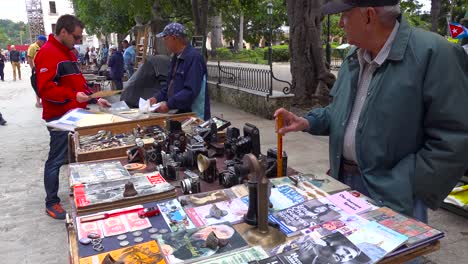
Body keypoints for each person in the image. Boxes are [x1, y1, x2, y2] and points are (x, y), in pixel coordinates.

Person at [275, 0, 468, 223]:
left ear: (368, 16)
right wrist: (307, 122)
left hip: (395, 194)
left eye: (345, 15)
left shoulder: (434, 53)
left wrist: (409, 184)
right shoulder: (354, 56)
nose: (339, 23)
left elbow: (455, 137)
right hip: (344, 183)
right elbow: (341, 111)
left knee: (396, 257)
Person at [34, 14, 111, 219]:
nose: (78, 42)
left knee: (74, 155)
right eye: (76, 37)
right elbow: (46, 89)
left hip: (74, 114)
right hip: (59, 117)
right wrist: (72, 96)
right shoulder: (48, 53)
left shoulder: (68, 53)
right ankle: (51, 202)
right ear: (63, 32)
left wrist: (93, 98)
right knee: (56, 159)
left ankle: (78, 191)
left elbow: (77, 83)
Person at [148, 22, 210, 120]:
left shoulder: (194, 58)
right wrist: (157, 98)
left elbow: (190, 91)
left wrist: (168, 105)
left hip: (194, 116)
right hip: (179, 113)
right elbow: (169, 86)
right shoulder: (176, 57)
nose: (164, 42)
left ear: (174, 38)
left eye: (165, 39)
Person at [27, 35, 47, 108]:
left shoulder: (42, 47)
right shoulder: (33, 47)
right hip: (36, 69)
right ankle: (38, 102)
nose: (44, 44)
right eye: (44, 42)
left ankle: (42, 101)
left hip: (43, 69)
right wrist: (32, 68)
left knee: (42, 85)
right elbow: (29, 57)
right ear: (40, 41)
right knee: (37, 85)